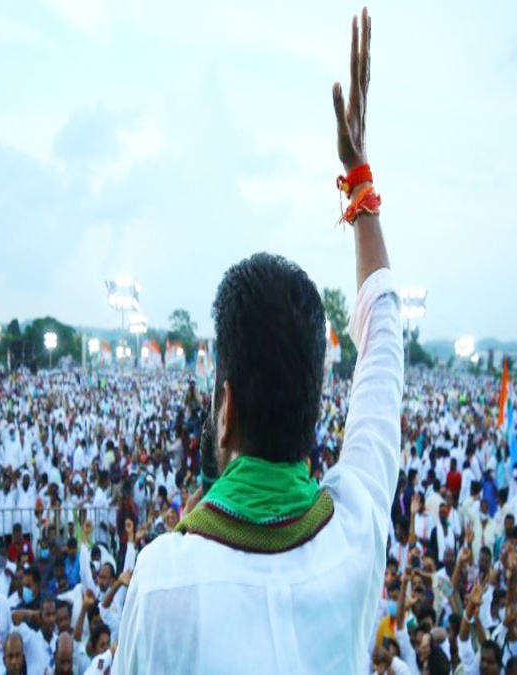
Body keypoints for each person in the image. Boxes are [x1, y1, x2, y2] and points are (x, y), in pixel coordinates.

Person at [115, 9, 403, 672]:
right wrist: (359, 176)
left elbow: (384, 337)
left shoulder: (163, 581)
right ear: (317, 403)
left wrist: (357, 179)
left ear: (225, 405)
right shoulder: (356, 527)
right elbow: (384, 337)